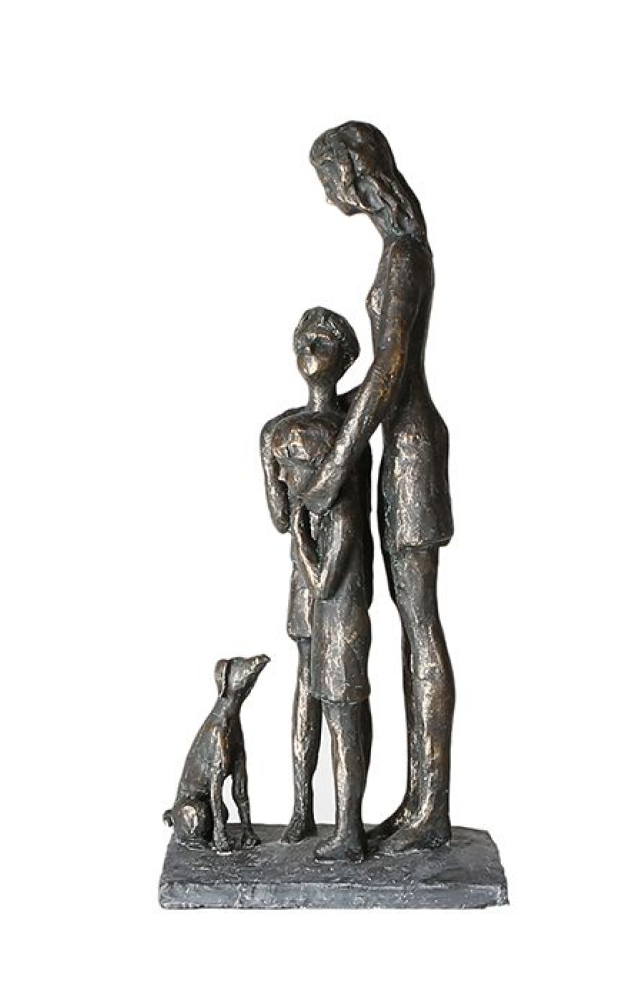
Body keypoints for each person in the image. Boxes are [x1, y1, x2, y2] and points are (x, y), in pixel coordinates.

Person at [302, 122, 455, 852]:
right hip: (402, 445)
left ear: (351, 172)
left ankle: (432, 809)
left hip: (412, 452)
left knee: (420, 625)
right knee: (409, 625)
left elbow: (391, 372)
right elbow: (381, 374)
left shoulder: (402, 255)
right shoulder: (401, 248)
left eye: (326, 178)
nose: (327, 194)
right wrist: (330, 413)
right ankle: (421, 799)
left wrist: (335, 463)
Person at [260, 307, 373, 861]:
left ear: (346, 358)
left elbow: (333, 517)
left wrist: (305, 525)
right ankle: (302, 809)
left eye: (324, 340)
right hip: (304, 581)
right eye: (304, 338)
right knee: (306, 686)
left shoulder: (353, 431)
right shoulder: (276, 430)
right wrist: (274, 469)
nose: (310, 347)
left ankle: (348, 826)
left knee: (341, 695)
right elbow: (281, 516)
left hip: (339, 576)